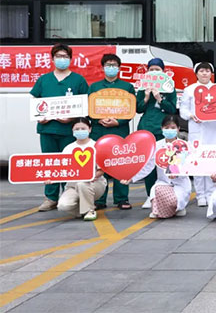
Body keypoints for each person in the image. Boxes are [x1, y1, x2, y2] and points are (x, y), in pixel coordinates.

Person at [30, 44, 89, 211]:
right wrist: (39, 117)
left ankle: (69, 195)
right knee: (50, 163)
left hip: (69, 131)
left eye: (65, 56)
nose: (62, 59)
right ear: (52, 58)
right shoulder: (44, 79)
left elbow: (85, 105)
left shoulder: (78, 80)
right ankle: (50, 198)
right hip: (47, 130)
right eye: (58, 56)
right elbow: (34, 101)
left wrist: (71, 118)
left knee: (69, 164)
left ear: (70, 59)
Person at [89, 54, 136, 210]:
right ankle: (99, 199)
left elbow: (131, 110)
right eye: (108, 65)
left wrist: (119, 121)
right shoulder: (94, 87)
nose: (111, 68)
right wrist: (98, 120)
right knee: (99, 164)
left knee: (120, 163)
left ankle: (122, 198)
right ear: (103, 68)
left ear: (119, 68)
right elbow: (89, 109)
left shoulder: (127, 87)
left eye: (114, 65)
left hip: (119, 130)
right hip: (99, 130)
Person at [123, 116, 191, 219]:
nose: (170, 130)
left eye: (173, 128)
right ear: (161, 128)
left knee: (177, 198)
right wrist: (132, 177)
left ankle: (177, 208)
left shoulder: (185, 146)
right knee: (156, 190)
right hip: (163, 182)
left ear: (178, 129)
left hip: (180, 183)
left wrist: (178, 173)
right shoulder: (156, 146)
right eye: (166, 128)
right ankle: (163, 210)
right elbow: (147, 166)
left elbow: (191, 165)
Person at [135, 57, 178, 208]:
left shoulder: (169, 87)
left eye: (157, 70)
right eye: (151, 70)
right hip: (146, 128)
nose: (154, 72)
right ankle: (150, 195)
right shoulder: (143, 87)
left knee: (167, 161)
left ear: (163, 72)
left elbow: (172, 109)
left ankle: (170, 193)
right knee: (149, 163)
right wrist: (146, 98)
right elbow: (138, 109)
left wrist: (160, 99)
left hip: (164, 129)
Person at [180, 61, 216, 207]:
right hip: (197, 129)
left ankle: (211, 193)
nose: (204, 73)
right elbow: (183, 110)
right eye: (201, 71)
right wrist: (191, 116)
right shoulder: (189, 90)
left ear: (211, 73)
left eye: (207, 71)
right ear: (196, 73)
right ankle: (200, 195)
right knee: (198, 162)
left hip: (214, 130)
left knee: (212, 161)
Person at [56, 118, 106, 221]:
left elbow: (102, 169)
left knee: (82, 184)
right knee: (63, 206)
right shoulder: (68, 148)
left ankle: (90, 210)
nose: (80, 131)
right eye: (77, 129)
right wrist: (51, 178)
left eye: (83, 128)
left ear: (90, 129)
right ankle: (83, 208)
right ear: (72, 131)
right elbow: (62, 170)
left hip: (93, 184)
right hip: (72, 186)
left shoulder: (96, 146)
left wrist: (92, 176)